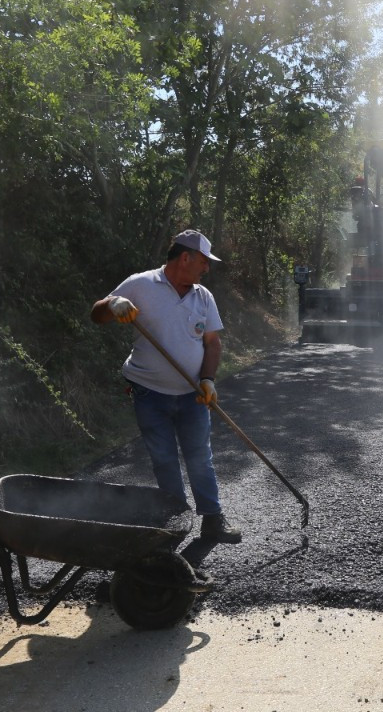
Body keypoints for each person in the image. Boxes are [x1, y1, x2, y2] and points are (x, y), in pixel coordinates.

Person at [91, 230, 240, 544]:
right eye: (203, 261)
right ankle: (176, 522)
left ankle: (212, 519)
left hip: (192, 396)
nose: (206, 269)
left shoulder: (203, 297)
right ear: (185, 257)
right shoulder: (141, 284)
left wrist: (208, 380)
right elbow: (98, 314)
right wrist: (113, 303)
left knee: (200, 455)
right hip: (149, 393)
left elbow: (213, 344)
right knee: (164, 459)